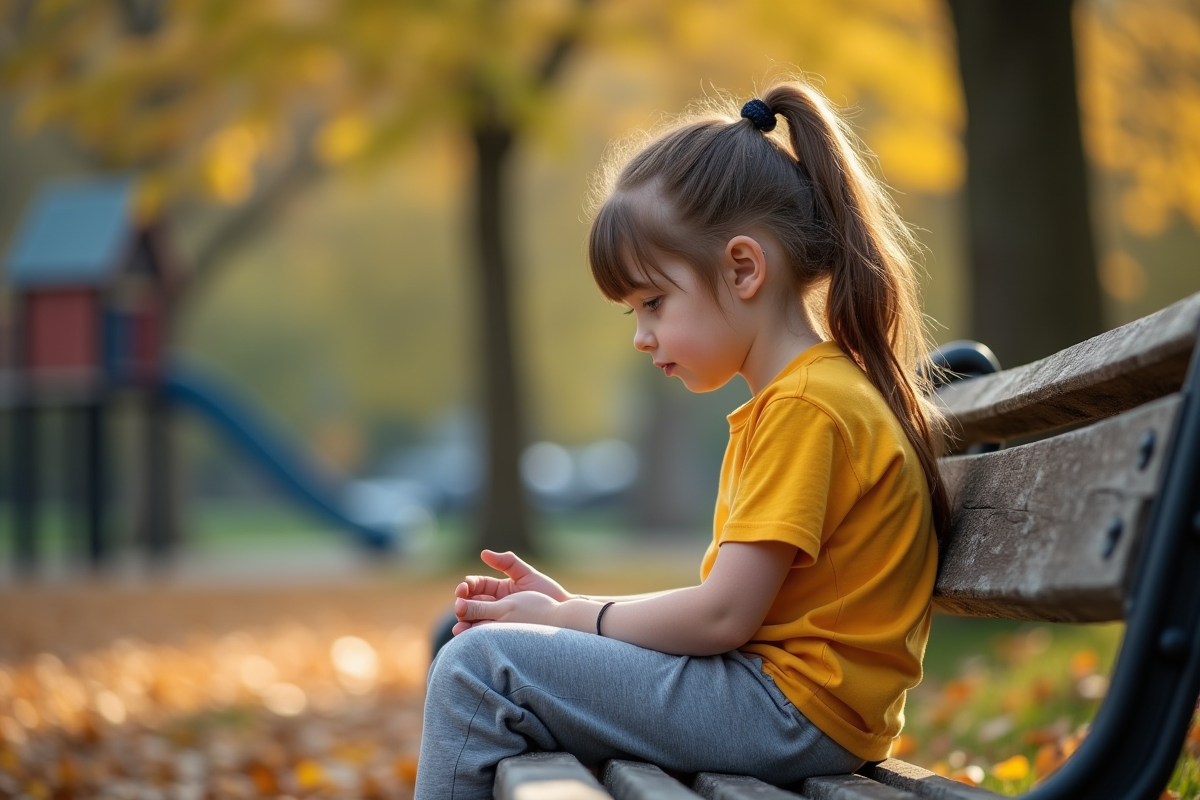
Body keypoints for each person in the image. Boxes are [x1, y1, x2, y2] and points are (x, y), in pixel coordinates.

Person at [414, 79, 949, 799]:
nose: (642, 337)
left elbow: (723, 615)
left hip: (786, 714)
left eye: (653, 303)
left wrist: (571, 617)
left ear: (743, 268)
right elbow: (730, 609)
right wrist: (568, 612)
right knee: (466, 640)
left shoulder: (808, 407)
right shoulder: (806, 397)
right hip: (785, 705)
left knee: (478, 670)